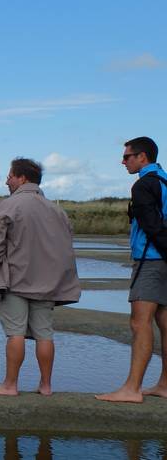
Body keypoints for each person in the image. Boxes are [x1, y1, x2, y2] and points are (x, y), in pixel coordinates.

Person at [0, 158, 81, 396]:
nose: (7, 181)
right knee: (44, 334)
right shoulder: (57, 210)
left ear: (22, 178)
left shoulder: (9, 206)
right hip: (48, 283)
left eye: (10, 176)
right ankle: (46, 386)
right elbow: (66, 248)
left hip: (15, 280)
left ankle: (10, 385)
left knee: (15, 333)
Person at [97, 136, 167, 403]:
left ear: (143, 157)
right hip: (162, 260)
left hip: (151, 259)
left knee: (139, 323)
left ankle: (132, 389)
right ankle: (164, 384)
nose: (123, 161)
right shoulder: (164, 180)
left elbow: (152, 227)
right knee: (163, 322)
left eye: (127, 157)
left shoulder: (143, 185)